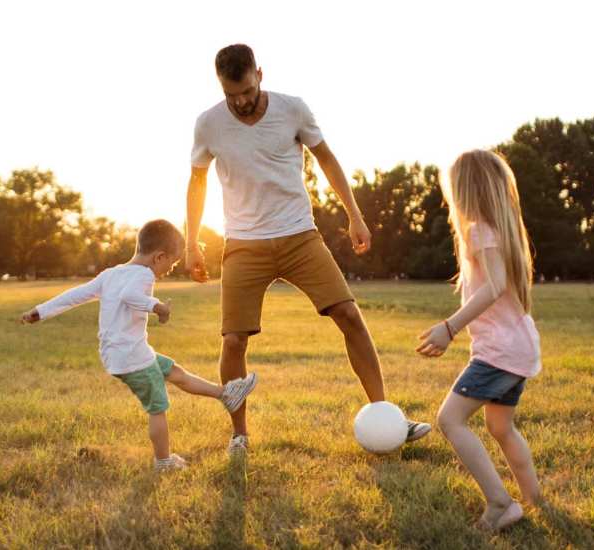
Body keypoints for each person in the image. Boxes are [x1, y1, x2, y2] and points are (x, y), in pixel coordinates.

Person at [185, 43, 430, 455]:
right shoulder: (208, 124)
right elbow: (197, 181)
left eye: (246, 90)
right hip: (244, 243)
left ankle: (388, 416)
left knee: (349, 315)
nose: (242, 102)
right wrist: (191, 241)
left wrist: (354, 214)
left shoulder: (292, 109)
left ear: (259, 74)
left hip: (300, 235)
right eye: (232, 96)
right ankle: (239, 434)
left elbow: (327, 159)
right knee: (233, 341)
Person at [21, 219, 258, 471]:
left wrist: (41, 311)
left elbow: (75, 295)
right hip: (132, 357)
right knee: (158, 407)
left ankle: (226, 394)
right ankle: (164, 461)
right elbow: (130, 296)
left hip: (122, 354)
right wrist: (158, 307)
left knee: (173, 371)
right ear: (159, 257)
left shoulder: (110, 274)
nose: (170, 268)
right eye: (172, 262)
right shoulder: (144, 274)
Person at [416, 150, 542, 530]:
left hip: (500, 353)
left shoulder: (480, 231)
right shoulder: (499, 230)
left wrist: (449, 327)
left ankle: (500, 504)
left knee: (450, 420)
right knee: (501, 428)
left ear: (464, 191)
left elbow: (494, 287)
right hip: (518, 349)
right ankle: (535, 500)